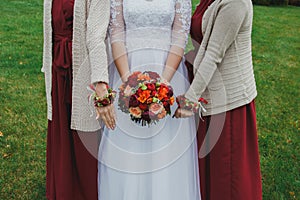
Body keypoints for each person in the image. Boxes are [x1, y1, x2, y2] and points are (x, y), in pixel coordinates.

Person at [97, 0, 201, 199]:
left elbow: (179, 37)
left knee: (165, 146)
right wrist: (129, 81)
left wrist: (163, 84)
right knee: (128, 145)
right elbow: (116, 34)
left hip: (167, 72)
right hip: (128, 68)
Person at [174, 0, 263, 199]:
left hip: (229, 102)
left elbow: (214, 53)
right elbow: (200, 45)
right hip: (207, 94)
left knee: (228, 177)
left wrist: (190, 100)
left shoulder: (236, 3)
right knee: (210, 173)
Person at [42, 0, 115, 199]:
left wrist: (100, 81)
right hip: (58, 69)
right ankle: (63, 190)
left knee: (85, 136)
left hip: (84, 70)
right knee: (61, 131)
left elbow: (95, 36)